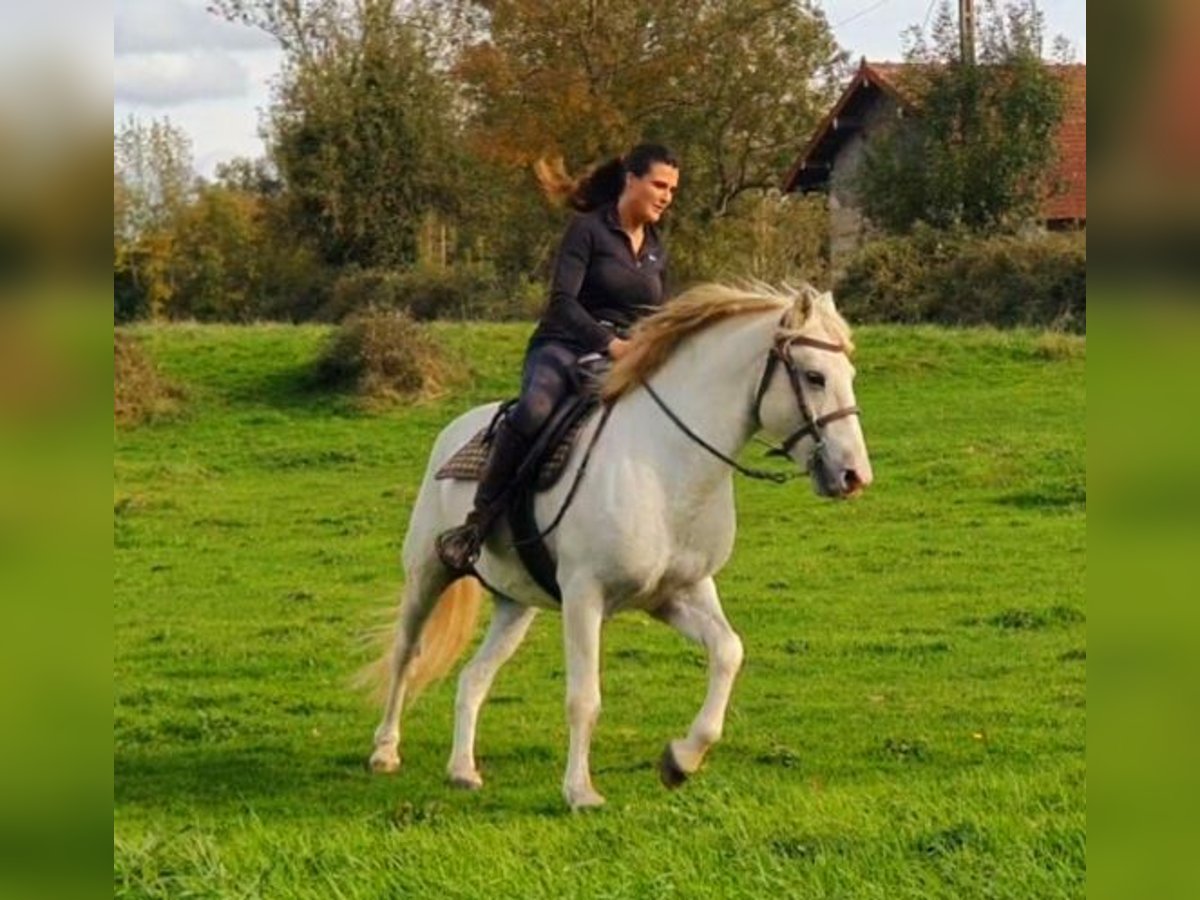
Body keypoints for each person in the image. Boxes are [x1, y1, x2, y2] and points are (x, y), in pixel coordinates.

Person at [436, 142, 680, 573]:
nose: (666, 196)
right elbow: (563, 302)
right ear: (631, 180)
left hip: (623, 356)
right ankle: (476, 524)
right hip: (563, 346)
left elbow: (656, 312)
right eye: (659, 185)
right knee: (534, 410)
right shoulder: (586, 230)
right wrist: (610, 343)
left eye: (672, 190)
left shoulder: (658, 246)